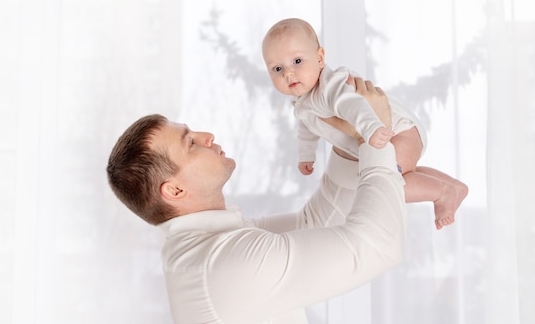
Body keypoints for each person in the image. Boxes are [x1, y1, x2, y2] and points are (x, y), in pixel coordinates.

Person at [106, 78, 406, 324]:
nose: (207, 135)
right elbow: (377, 246)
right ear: (174, 191)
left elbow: (312, 224)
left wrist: (348, 143)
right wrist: (374, 133)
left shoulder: (213, 245)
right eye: (190, 142)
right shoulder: (223, 264)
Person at [261, 17, 469, 230]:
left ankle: (443, 193)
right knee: (405, 174)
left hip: (396, 132)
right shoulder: (303, 100)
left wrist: (371, 129)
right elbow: (306, 125)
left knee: (387, 186)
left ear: (320, 58)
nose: (288, 73)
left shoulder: (329, 87)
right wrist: (306, 154)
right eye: (277, 69)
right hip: (394, 132)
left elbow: (353, 104)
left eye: (297, 61)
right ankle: (452, 187)